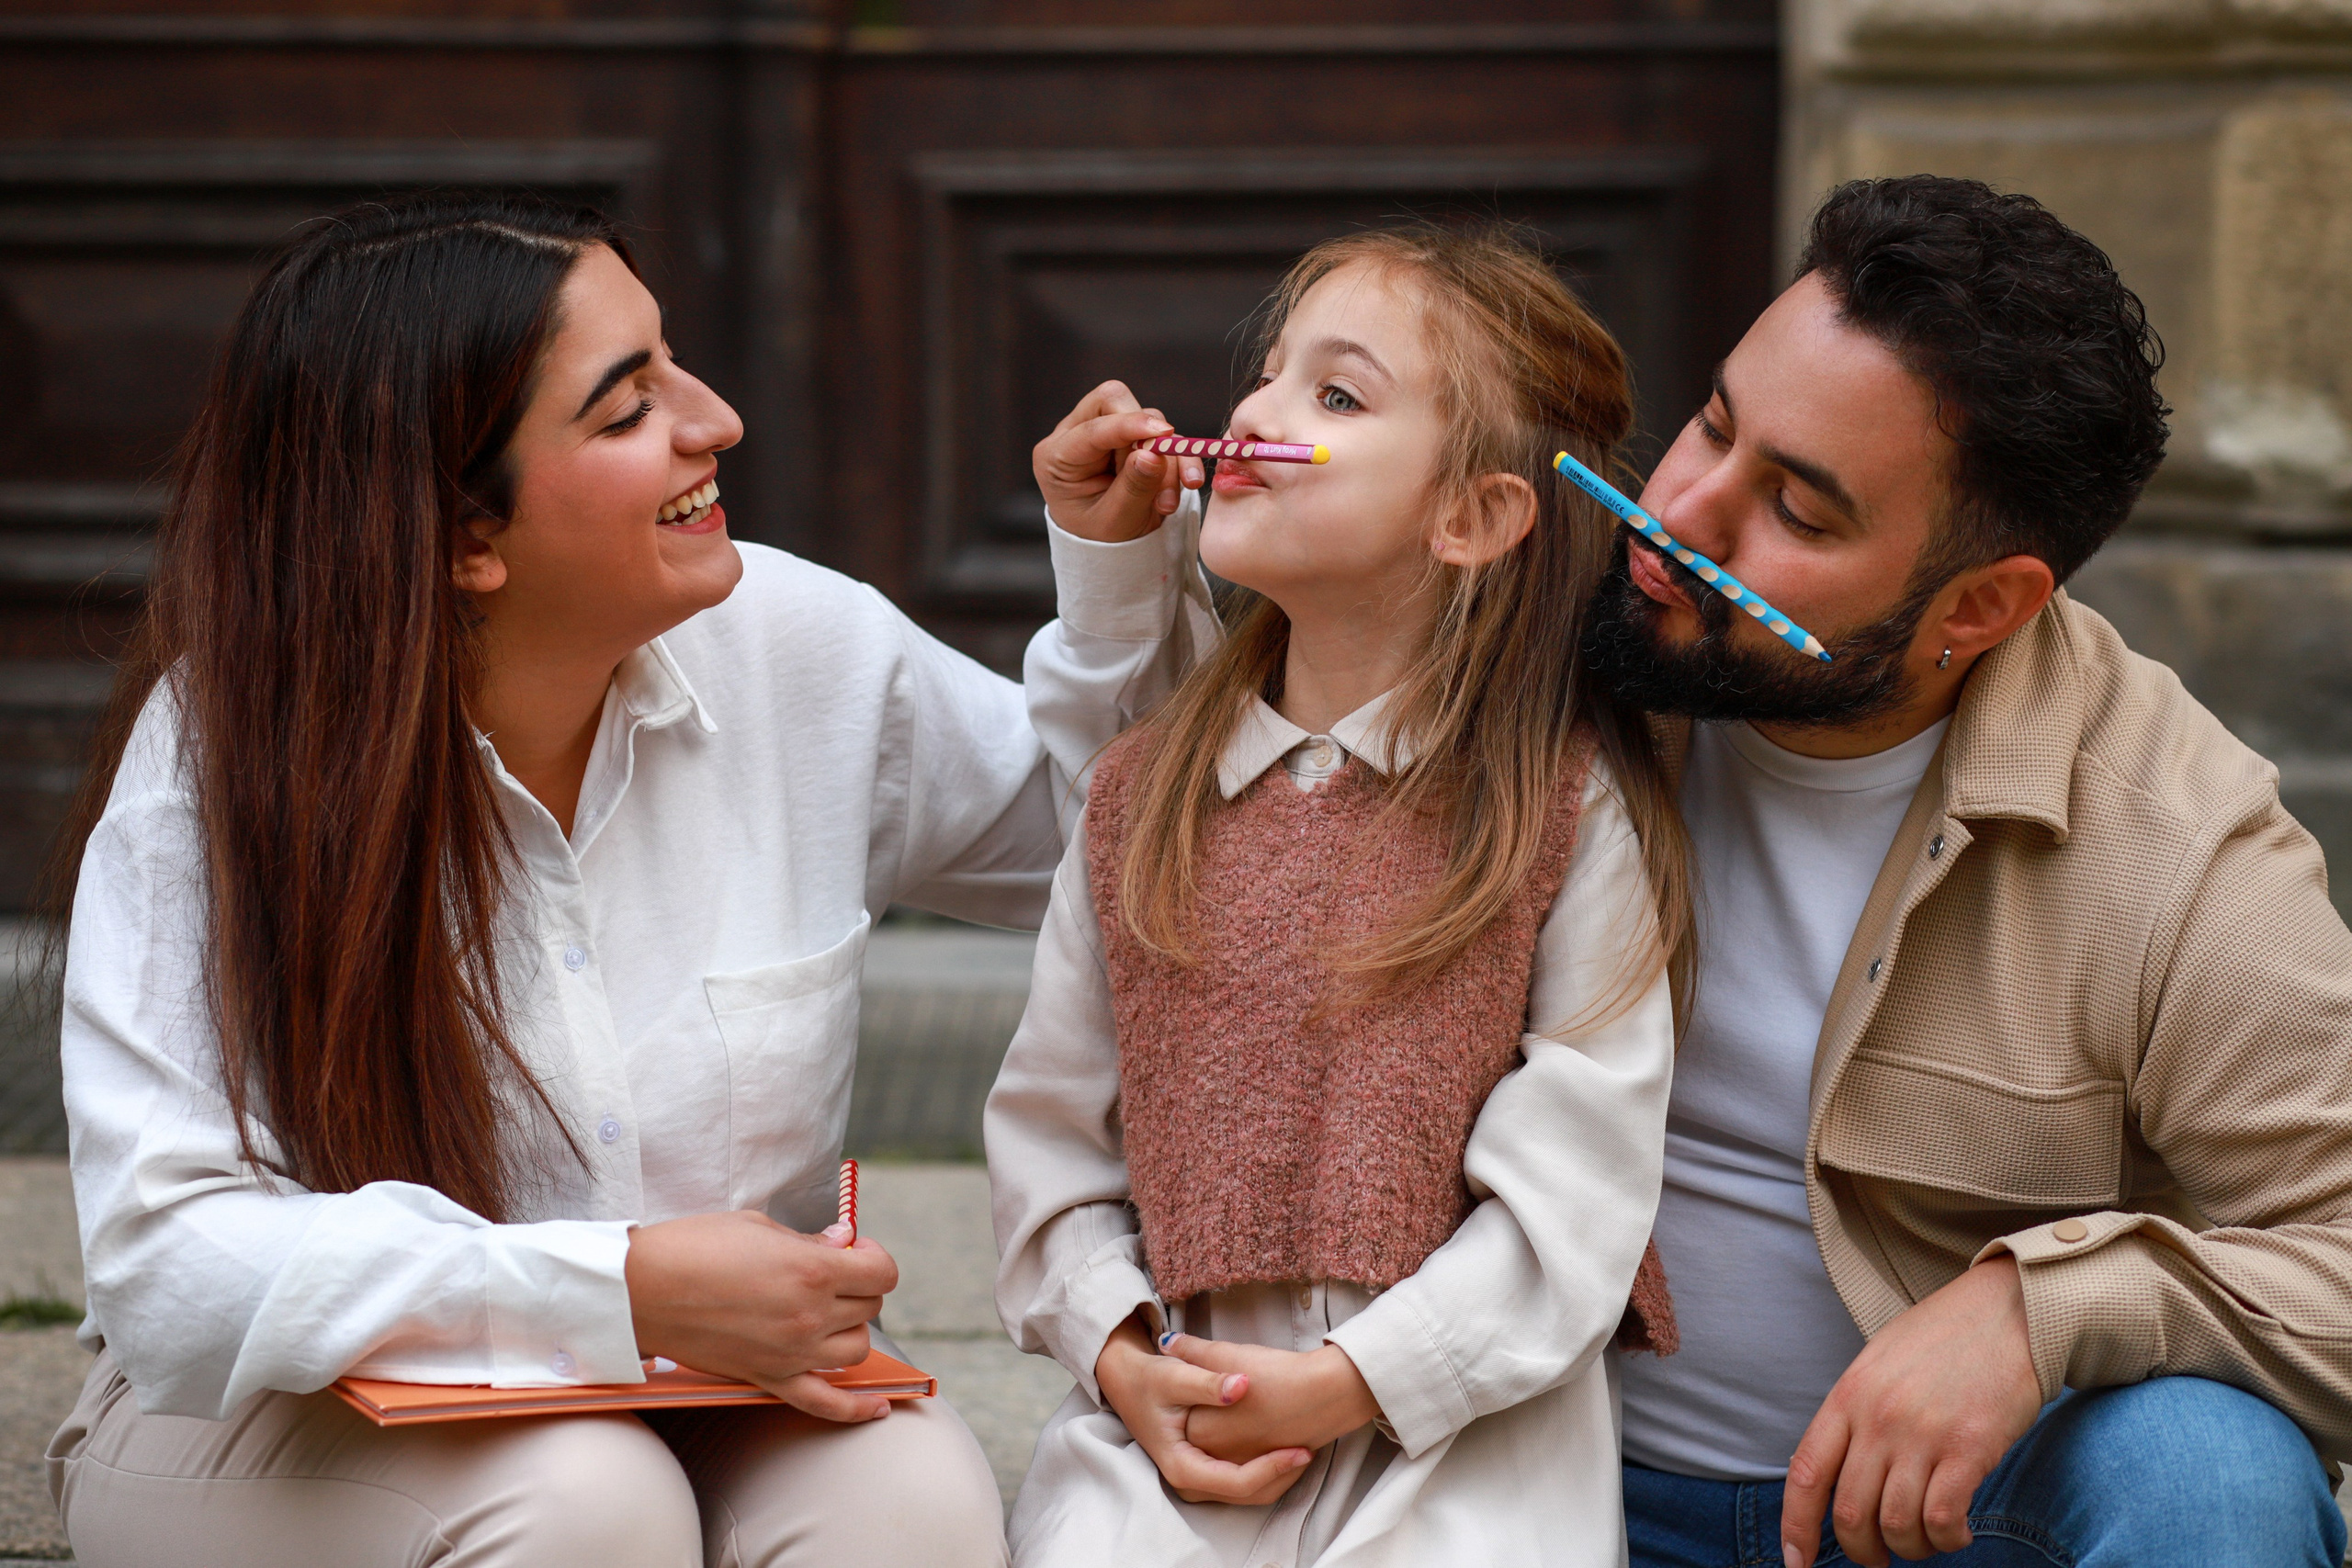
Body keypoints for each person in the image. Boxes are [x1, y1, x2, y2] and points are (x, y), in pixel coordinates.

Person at [1057, 178, 2352, 1568]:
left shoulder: (2173, 839)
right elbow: (1204, 801)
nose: (1679, 512)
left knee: (2213, 1479)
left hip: (1927, 1524)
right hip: (1506, 1484)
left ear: (1978, 609)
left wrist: (2041, 1311)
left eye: (1795, 507)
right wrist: (1123, 564)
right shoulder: (1533, 621)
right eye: (1717, 425)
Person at [40, 191, 1208, 1568]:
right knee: (586, 1503)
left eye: (676, 362)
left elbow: (1131, 858)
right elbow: (173, 1264)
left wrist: (1122, 574)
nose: (716, 422)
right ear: (466, 540)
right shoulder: (225, 766)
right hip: (284, 1419)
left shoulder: (792, 642)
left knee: (915, 1511)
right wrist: (621, 1289)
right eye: (626, 406)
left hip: (720, 1389)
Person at [989, 225, 1692, 1568]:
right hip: (1167, 1424)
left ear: (1475, 516)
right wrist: (1121, 1352)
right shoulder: (1142, 797)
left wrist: (1357, 1383)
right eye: (1268, 374)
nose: (1255, 410)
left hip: (1462, 1443)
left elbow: (1579, 1189)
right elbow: (1052, 1137)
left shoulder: (1565, 815)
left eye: (1337, 394)